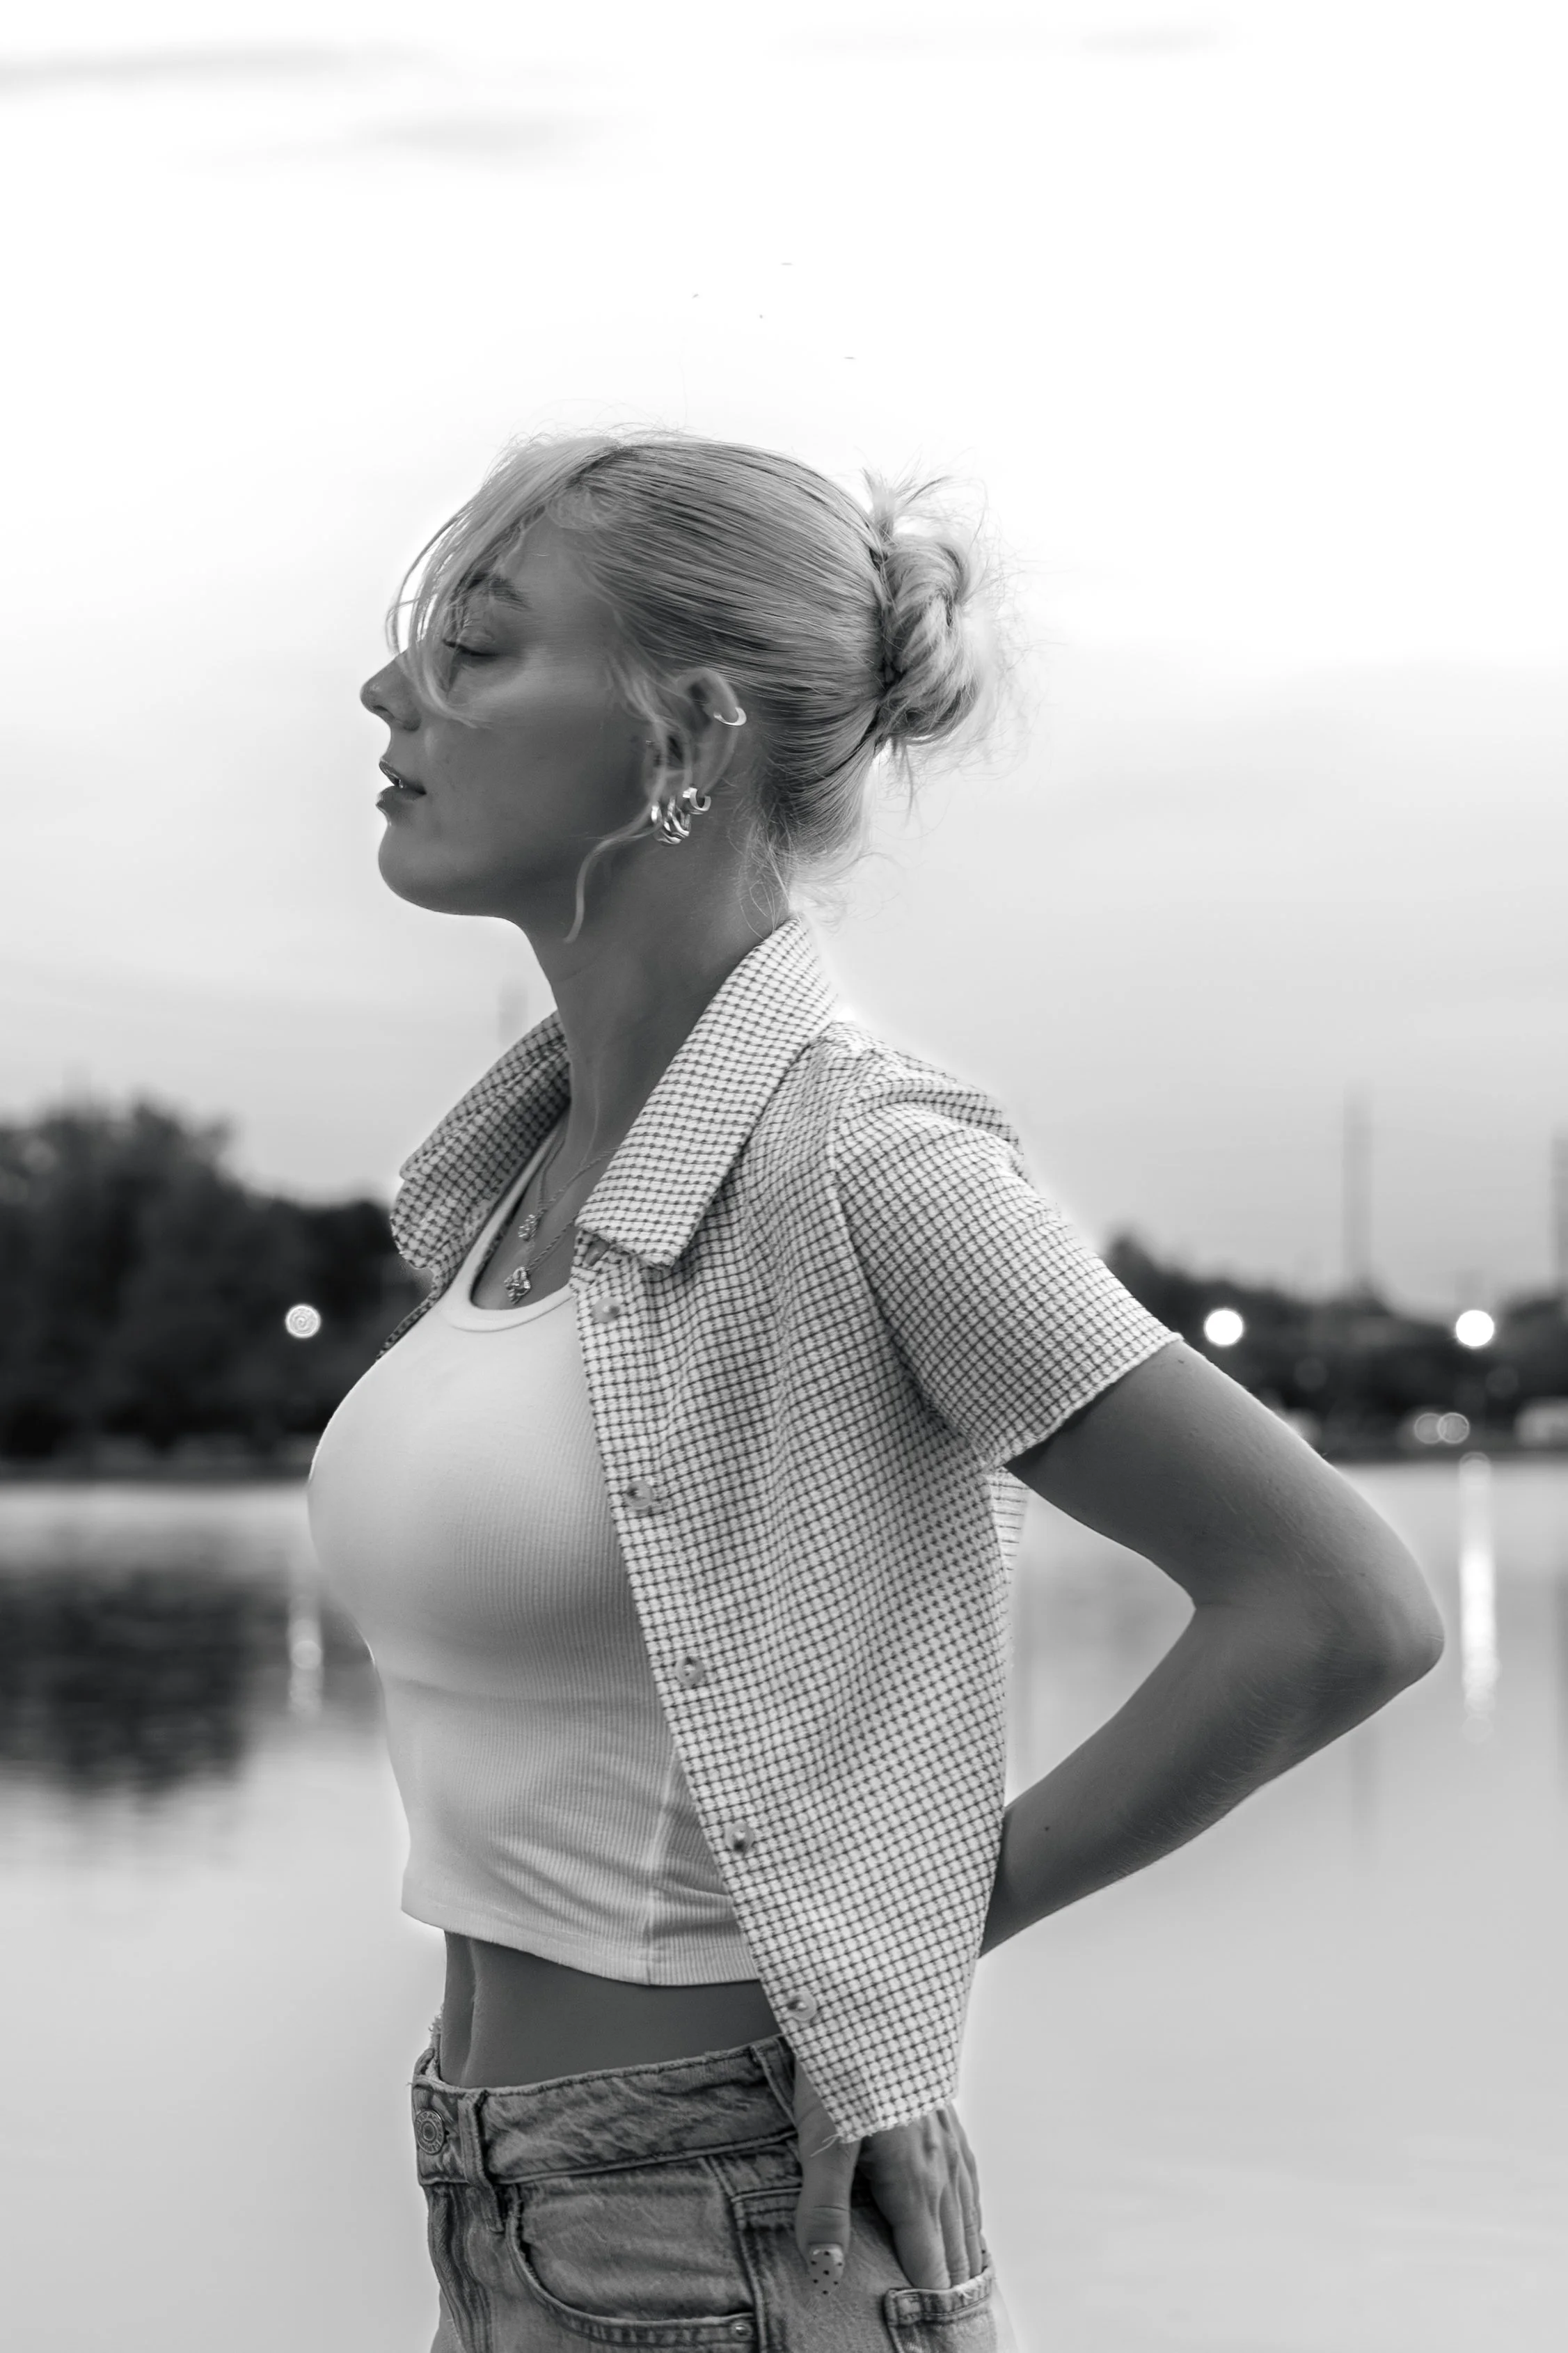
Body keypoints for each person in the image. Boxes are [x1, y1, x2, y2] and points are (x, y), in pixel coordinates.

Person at [307, 428, 1444, 2352]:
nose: (389, 690)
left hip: (734, 2223)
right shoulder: (517, 1181)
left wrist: (887, 1965)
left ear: (689, 735)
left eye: (481, 647)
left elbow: (1336, 1607)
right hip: (504, 2198)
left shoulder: (859, 1162)